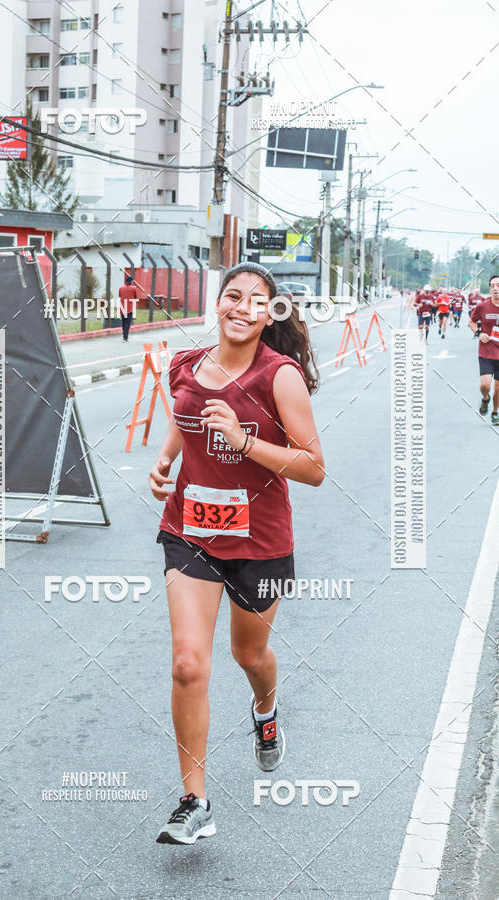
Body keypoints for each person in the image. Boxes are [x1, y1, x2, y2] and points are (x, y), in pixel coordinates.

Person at [149, 262, 324, 845]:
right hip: (191, 532)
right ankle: (194, 800)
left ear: (271, 313)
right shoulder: (184, 364)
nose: (243, 307)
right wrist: (168, 459)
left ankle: (265, 711)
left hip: (262, 544)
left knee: (249, 655)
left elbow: (314, 468)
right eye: (233, 296)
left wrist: (244, 440)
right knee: (188, 662)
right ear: (217, 303)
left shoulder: (281, 377)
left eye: (257, 300)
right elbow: (187, 412)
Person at [469, 274, 499, 425]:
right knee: (485, 385)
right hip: (486, 352)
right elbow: (472, 322)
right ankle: (485, 399)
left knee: (498, 386)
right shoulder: (482, 306)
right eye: (493, 286)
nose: (496, 288)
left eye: (498, 285)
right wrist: (479, 333)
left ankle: (495, 412)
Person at [118, 274, 138, 342]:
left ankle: (124, 336)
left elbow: (120, 295)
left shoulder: (121, 288)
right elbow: (136, 296)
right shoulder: (134, 288)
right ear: (131, 281)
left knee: (123, 322)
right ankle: (125, 337)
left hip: (122, 307)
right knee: (127, 323)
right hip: (129, 308)